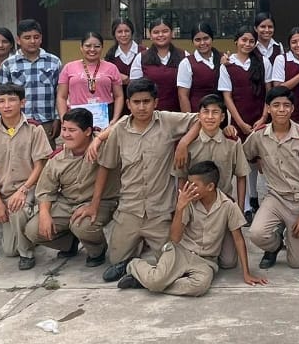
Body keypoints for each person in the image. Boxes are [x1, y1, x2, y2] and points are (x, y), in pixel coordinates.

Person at [87, 78, 199, 284]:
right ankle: (134, 257)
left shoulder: (167, 121)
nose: (141, 107)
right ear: (128, 104)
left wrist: (183, 142)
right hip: (130, 210)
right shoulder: (119, 130)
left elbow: (199, 119)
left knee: (171, 262)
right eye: (136, 102)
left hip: (159, 212)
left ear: (155, 102)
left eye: (146, 101)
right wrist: (94, 204)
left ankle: (136, 270)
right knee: (115, 260)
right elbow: (105, 166)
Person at [117, 161, 267, 295]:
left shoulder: (228, 206)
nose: (189, 188)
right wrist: (180, 207)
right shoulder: (188, 202)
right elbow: (175, 238)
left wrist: (246, 273)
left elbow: (238, 240)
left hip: (206, 260)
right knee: (157, 279)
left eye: (194, 185)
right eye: (188, 183)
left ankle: (146, 282)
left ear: (210, 187)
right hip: (180, 252)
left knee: (200, 286)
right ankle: (133, 264)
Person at [21, 108, 113, 268]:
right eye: (64, 129)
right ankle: (69, 243)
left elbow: (123, 123)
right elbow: (45, 190)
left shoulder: (104, 145)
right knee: (33, 230)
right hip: (67, 203)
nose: (65, 135)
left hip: (100, 202)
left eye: (72, 130)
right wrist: (44, 215)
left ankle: (97, 250)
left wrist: (98, 140)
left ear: (87, 131)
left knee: (82, 226)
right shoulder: (57, 158)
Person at [243, 86, 299, 269]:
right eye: (276, 105)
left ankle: (290, 232)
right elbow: (243, 156)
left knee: (297, 263)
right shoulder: (259, 135)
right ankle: (275, 245)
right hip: (275, 197)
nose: (281, 109)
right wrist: (259, 162)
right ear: (268, 109)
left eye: (286, 105)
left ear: (293, 109)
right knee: (256, 234)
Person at [0, 83, 56, 267]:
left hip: (28, 187)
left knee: (17, 210)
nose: (7, 105)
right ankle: (2, 239)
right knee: (9, 250)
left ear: (22, 103)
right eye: (2, 101)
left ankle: (27, 254)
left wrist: (23, 189)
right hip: (3, 189)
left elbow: (40, 165)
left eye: (12, 100)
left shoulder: (34, 129)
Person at [173, 93, 251, 211]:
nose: (210, 117)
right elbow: (182, 178)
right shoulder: (188, 145)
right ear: (199, 116)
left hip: (224, 205)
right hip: (194, 206)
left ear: (222, 117)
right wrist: (181, 209)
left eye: (215, 112)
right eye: (206, 112)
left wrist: (240, 209)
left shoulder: (232, 142)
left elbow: (241, 176)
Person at [0, 18, 63, 136]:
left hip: (46, 122)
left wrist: (58, 118)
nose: (32, 41)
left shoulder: (54, 62)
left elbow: (60, 93)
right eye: (27, 38)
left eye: (36, 37)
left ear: (41, 38)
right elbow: (2, 96)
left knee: (46, 154)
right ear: (18, 40)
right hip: (17, 122)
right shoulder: (8, 64)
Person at [57, 31, 124, 124]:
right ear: (81, 47)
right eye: (88, 46)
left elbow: (119, 96)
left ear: (102, 47)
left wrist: (115, 118)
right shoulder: (69, 68)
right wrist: (63, 118)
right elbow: (61, 96)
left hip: (105, 118)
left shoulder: (111, 68)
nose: (92, 49)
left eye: (97, 46)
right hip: (76, 118)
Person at [220, 26, 269, 141]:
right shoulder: (227, 65)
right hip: (238, 121)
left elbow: (269, 92)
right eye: (244, 40)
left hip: (261, 120)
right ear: (236, 41)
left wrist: (264, 117)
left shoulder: (263, 62)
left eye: (252, 41)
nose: (247, 44)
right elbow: (227, 97)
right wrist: (241, 124)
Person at [130, 18, 183, 112]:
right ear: (150, 35)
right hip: (149, 114)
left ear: (172, 33)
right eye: (156, 32)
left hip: (177, 114)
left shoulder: (183, 55)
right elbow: (135, 89)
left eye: (165, 31)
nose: (160, 35)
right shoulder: (141, 58)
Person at [177, 23, 223, 113]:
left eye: (206, 38)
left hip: (220, 114)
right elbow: (183, 96)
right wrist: (190, 120)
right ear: (193, 41)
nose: (202, 43)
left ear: (212, 38)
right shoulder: (186, 63)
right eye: (198, 40)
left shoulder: (223, 58)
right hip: (198, 114)